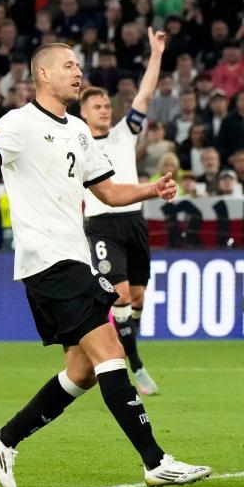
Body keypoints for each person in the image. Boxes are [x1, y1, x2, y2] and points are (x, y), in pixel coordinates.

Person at [0, 42, 210, 487]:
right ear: (43, 74)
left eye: (78, 65)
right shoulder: (20, 122)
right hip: (48, 260)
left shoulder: (77, 130)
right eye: (68, 65)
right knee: (110, 349)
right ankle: (156, 461)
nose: (78, 72)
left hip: (74, 257)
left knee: (83, 370)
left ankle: (5, 439)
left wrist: (151, 189)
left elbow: (107, 192)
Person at [79, 27, 165, 396]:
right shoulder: (77, 144)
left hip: (134, 221)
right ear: (83, 113)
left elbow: (145, 93)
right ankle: (137, 365)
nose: (104, 109)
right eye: (97, 106)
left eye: (106, 105)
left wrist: (156, 53)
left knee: (139, 298)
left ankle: (129, 341)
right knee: (122, 296)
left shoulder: (123, 133)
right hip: (101, 224)